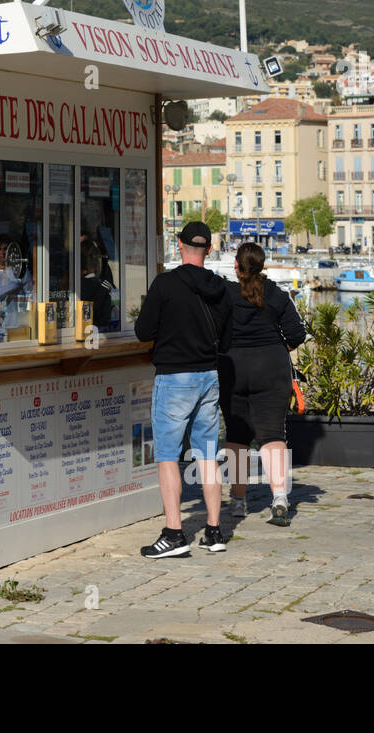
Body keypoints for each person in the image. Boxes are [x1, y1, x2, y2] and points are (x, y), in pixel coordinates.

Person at [134, 221, 232, 558]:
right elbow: (228, 339)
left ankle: (174, 533)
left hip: (174, 378)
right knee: (207, 454)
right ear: (208, 248)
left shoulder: (165, 285)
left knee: (167, 457)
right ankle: (215, 531)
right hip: (209, 376)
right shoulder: (221, 288)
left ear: (179, 245)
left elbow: (143, 330)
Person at [222, 243, 307, 527]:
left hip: (233, 368)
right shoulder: (277, 294)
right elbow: (297, 333)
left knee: (236, 435)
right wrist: (276, 347)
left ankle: (238, 502)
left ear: (236, 266)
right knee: (273, 434)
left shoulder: (226, 295)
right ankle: (280, 497)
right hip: (272, 369)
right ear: (262, 265)